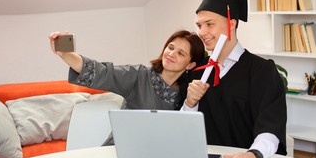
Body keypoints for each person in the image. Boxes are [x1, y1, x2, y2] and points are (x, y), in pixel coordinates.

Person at [183, 0, 287, 158]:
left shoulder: (261, 71)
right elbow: (184, 131)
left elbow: (271, 126)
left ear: (231, 23)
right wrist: (190, 103)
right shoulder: (197, 71)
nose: (202, 32)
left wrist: (254, 154)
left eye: (209, 24)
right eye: (199, 25)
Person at [49, 29, 205, 110]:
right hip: (120, 150)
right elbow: (101, 73)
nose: (171, 54)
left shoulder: (187, 94)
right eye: (170, 47)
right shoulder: (139, 75)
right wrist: (66, 54)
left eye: (180, 53)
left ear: (190, 65)